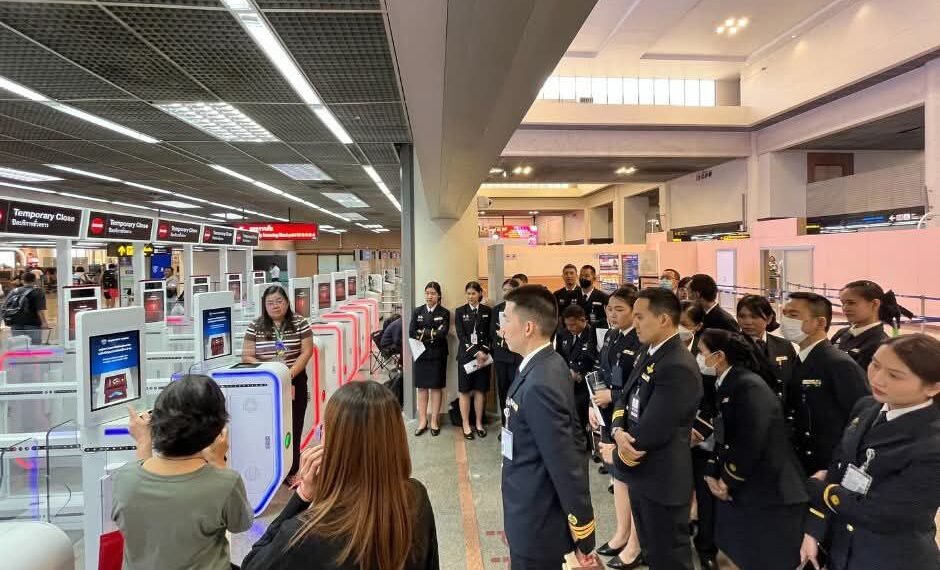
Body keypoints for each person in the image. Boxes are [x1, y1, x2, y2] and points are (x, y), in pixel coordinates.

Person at [242, 382, 439, 570]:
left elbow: (252, 564)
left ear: (335, 444)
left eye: (323, 429)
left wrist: (302, 496)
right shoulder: (416, 497)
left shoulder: (307, 533)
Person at [799, 334, 940, 570]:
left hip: (891, 557)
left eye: (894, 375)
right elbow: (838, 467)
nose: (878, 378)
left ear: (933, 387)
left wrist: (820, 491)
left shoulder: (932, 443)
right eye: (875, 364)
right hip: (842, 547)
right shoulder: (867, 407)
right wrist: (813, 530)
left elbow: (888, 513)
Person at [500, 285, 598, 569]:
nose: (502, 327)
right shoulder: (545, 364)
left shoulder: (541, 381)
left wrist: (583, 534)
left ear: (528, 327)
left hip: (538, 520)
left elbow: (566, 462)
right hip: (528, 507)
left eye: (506, 319)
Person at [697, 330, 808, 570]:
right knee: (731, 555)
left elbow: (751, 438)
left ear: (719, 356)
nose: (699, 357)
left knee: (760, 559)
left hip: (770, 491)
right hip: (745, 487)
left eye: (702, 352)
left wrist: (728, 478)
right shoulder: (727, 382)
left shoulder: (747, 385)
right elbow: (724, 434)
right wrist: (712, 470)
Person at [117, 375, 253, 570]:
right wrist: (218, 462)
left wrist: (144, 443)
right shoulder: (225, 482)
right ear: (217, 430)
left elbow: (146, 482)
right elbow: (241, 524)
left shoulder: (125, 478)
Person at [611, 287, 702, 570]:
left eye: (640, 316)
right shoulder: (649, 352)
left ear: (663, 319)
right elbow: (624, 396)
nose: (634, 323)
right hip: (641, 473)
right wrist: (616, 429)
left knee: (669, 557)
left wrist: (615, 454)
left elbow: (655, 430)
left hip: (662, 477)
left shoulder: (677, 364)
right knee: (652, 552)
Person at [780, 292, 870, 475]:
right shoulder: (800, 358)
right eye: (785, 314)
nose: (786, 321)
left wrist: (840, 465)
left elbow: (862, 417)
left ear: (820, 322)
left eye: (794, 315)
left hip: (825, 466)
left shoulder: (837, 364)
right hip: (800, 461)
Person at [593, 287, 645, 569]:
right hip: (607, 415)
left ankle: (637, 542)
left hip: (628, 419)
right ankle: (621, 532)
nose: (612, 314)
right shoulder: (611, 335)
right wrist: (594, 403)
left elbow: (637, 384)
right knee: (617, 478)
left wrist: (612, 397)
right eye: (609, 309)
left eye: (619, 310)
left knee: (631, 478)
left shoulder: (640, 340)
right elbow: (601, 371)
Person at [242, 285, 314, 482]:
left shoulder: (300, 323)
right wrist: (271, 372)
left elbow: (306, 352)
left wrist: (287, 375)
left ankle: (292, 470)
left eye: (279, 301)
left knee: (294, 425)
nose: (275, 306)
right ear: (264, 306)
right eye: (270, 303)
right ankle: (271, 468)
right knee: (269, 427)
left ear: (287, 302)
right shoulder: (255, 325)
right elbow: (247, 355)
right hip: (266, 382)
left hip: (294, 379)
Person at [682, 298, 717, 569]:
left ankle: (705, 547)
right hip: (675, 439)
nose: (680, 329)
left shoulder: (704, 355)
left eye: (685, 324)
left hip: (701, 439)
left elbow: (713, 400)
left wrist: (699, 432)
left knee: (705, 496)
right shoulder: (656, 351)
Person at [736, 294, 796, 402]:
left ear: (768, 319)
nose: (747, 322)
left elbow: (792, 381)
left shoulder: (784, 346)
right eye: (742, 316)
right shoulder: (731, 345)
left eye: (754, 317)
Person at [555, 304, 598, 452]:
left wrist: (580, 375)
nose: (570, 328)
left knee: (582, 415)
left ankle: (586, 444)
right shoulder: (564, 334)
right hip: (568, 382)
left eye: (573, 324)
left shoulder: (593, 334)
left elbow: (596, 361)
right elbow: (560, 357)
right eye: (567, 325)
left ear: (583, 319)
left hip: (586, 384)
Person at [455, 281, 493, 440]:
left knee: (480, 391)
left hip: (484, 358)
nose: (470, 296)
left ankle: (478, 423)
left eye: (473, 293)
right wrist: (476, 352)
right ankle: (465, 424)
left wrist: (483, 352)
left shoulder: (487, 311)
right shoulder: (460, 311)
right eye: (468, 293)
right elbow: (462, 336)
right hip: (466, 357)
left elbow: (490, 334)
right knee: (464, 391)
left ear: (479, 294)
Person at [832, 280, 899, 370]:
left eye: (851, 303)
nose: (845, 308)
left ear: (875, 304)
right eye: (843, 303)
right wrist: (810, 383)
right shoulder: (841, 333)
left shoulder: (880, 344)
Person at [410, 282, 449, 437]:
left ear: (438, 295)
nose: (429, 296)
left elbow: (443, 333)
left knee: (436, 388)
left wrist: (425, 332)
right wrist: (432, 332)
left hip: (438, 354)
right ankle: (422, 421)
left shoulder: (444, 312)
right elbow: (412, 332)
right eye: (427, 293)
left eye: (432, 293)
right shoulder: (417, 311)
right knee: (422, 388)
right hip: (421, 354)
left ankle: (434, 421)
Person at [492, 278, 523, 428]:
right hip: (501, 357)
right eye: (504, 290)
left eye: (509, 290)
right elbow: (492, 333)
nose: (505, 293)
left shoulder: (523, 309)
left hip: (517, 356)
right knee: (503, 392)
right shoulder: (497, 309)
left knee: (516, 393)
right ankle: (505, 426)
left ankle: (517, 426)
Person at [5, 271, 49, 345]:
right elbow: (40, 310)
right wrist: (44, 322)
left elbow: (6, 306)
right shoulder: (38, 291)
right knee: (35, 346)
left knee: (18, 346)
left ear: (22, 281)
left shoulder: (14, 291)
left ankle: (21, 356)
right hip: (32, 323)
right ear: (35, 280)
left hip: (15, 323)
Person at [578, 265, 609, 330]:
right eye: (581, 275)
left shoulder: (603, 297)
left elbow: (607, 318)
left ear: (594, 278)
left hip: (596, 332)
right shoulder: (572, 295)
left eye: (587, 276)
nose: (583, 278)